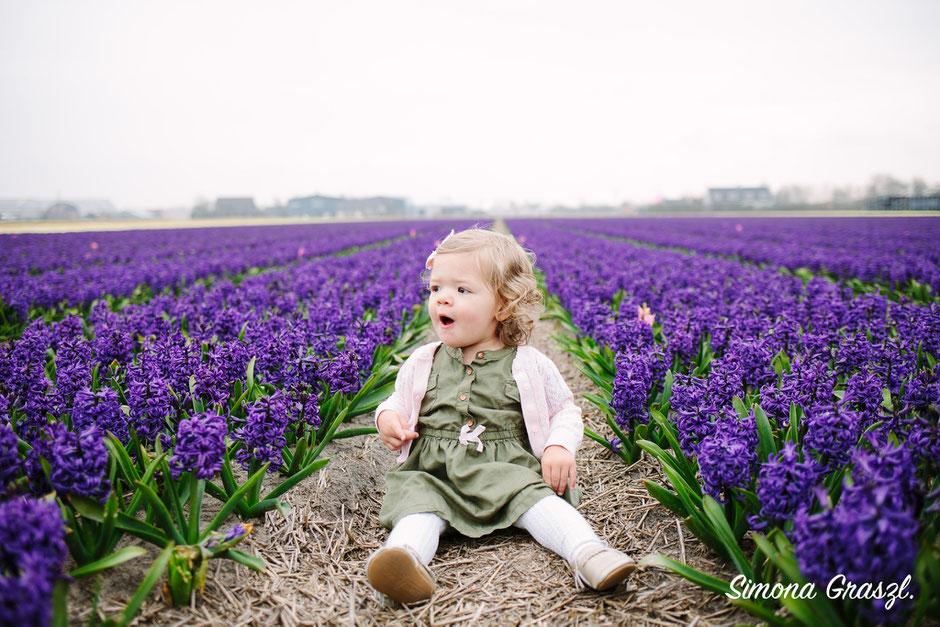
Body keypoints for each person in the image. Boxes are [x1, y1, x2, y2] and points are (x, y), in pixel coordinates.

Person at [366, 227, 635, 604]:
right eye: (436, 289)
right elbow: (395, 400)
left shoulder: (527, 362)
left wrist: (559, 447)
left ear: (504, 305)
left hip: (506, 469)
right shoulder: (423, 360)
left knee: (540, 502)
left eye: (462, 290)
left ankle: (588, 552)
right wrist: (388, 419)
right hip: (434, 473)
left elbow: (564, 409)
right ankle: (403, 561)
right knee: (417, 509)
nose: (443, 299)